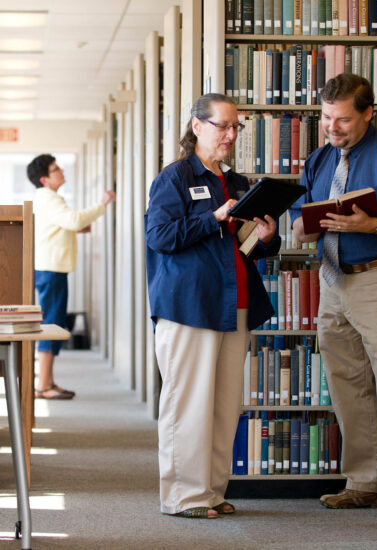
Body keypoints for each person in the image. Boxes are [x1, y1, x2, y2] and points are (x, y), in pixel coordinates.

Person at [289, 74, 377, 518]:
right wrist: (299, 226)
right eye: (327, 118)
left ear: (368, 113)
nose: (334, 128)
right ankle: (365, 482)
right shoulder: (318, 160)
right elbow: (300, 216)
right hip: (334, 280)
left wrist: (371, 224)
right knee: (347, 385)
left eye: (344, 120)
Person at [145, 93, 280, 519]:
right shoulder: (175, 178)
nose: (230, 135)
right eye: (222, 125)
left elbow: (247, 250)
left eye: (236, 127)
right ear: (197, 125)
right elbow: (160, 237)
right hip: (190, 307)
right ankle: (183, 496)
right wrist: (213, 218)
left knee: (224, 406)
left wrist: (267, 235)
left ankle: (211, 492)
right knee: (188, 404)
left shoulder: (239, 183)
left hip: (234, 304)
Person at [28, 154, 115, 400]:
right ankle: (43, 385)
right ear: (44, 179)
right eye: (56, 169)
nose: (61, 171)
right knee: (51, 323)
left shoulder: (48, 198)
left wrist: (76, 227)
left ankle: (48, 381)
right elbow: (73, 219)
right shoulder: (47, 197)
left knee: (53, 323)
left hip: (52, 268)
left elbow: (64, 225)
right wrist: (102, 204)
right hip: (50, 269)